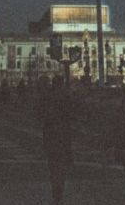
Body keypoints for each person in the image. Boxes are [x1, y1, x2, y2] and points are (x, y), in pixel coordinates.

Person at [41, 76, 74, 205]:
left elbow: (40, 113)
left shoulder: (47, 97)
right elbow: (72, 113)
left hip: (50, 133)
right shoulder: (66, 97)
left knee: (52, 162)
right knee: (63, 162)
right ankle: (60, 187)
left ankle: (55, 188)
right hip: (64, 134)